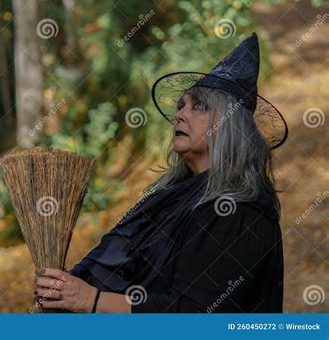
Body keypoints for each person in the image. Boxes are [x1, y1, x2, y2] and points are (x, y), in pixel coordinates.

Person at [33, 32, 288, 313]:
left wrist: (91, 300)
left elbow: (195, 315)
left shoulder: (239, 212)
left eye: (198, 106)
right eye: (181, 105)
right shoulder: (171, 201)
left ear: (229, 125)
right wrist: (65, 288)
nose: (179, 114)